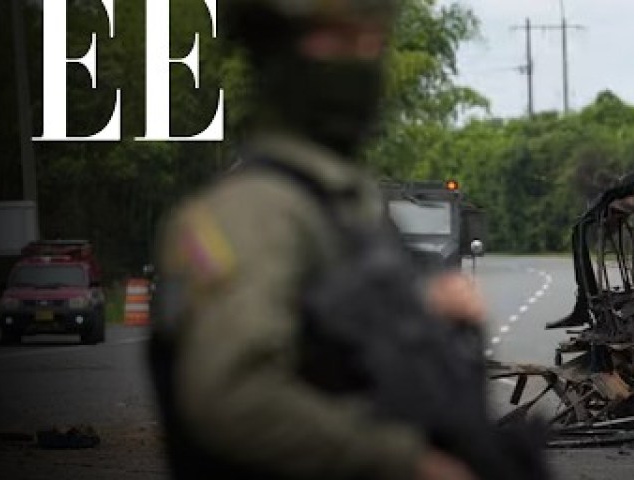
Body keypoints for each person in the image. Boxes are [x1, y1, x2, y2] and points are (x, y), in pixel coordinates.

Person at [148, 1, 484, 478]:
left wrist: (422, 309)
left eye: (373, 44)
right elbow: (231, 397)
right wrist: (406, 461)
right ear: (275, 50)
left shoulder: (345, 202)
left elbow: (336, 341)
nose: (360, 62)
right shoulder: (252, 211)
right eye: (335, 39)